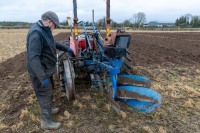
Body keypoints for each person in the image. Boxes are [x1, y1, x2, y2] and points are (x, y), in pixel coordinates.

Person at [26, 11, 74, 130]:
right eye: (54, 25)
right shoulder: (36, 33)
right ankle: (46, 122)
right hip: (39, 72)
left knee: (50, 90)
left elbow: (53, 43)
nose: (54, 28)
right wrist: (42, 77)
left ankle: (48, 110)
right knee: (44, 94)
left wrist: (66, 48)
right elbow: (33, 58)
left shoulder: (45, 30)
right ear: (48, 21)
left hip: (46, 69)